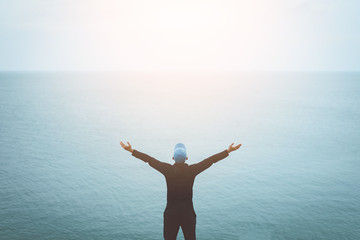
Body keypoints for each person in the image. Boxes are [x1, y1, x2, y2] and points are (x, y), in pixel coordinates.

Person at [120, 141, 242, 240]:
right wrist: (228, 151)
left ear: (172, 158)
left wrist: (131, 151)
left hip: (171, 213)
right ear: (187, 158)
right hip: (188, 213)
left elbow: (150, 160)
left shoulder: (167, 170)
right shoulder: (192, 170)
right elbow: (210, 160)